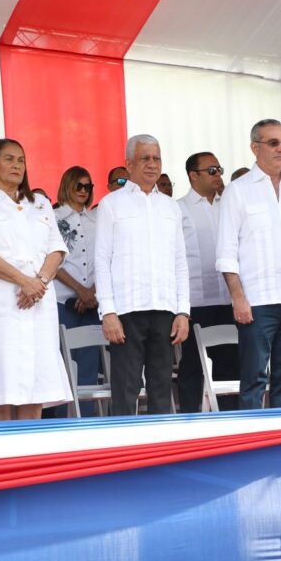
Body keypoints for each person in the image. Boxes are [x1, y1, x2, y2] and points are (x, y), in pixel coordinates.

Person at [0, 139, 72, 420]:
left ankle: (30, 457)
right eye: (9, 159)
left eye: (21, 160)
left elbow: (57, 249)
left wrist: (39, 282)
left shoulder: (40, 203)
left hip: (37, 300)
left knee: (35, 384)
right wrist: (24, 281)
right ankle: (2, 455)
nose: (16, 165)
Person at [216, 119, 281, 408]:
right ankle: (253, 445)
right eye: (273, 143)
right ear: (255, 147)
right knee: (253, 377)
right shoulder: (237, 191)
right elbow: (226, 252)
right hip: (257, 301)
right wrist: (238, 298)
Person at [96, 135, 189, 415]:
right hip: (126, 310)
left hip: (164, 309)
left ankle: (160, 455)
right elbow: (102, 260)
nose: (152, 164)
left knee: (162, 388)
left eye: (156, 158)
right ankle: (124, 455)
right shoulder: (111, 204)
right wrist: (108, 312)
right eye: (145, 158)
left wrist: (183, 311)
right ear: (129, 164)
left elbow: (180, 262)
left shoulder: (171, 207)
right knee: (126, 389)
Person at [176, 152, 238, 412]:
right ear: (193, 175)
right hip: (195, 301)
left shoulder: (229, 205)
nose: (219, 175)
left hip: (229, 298)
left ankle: (233, 423)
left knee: (231, 364)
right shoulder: (178, 208)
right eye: (212, 170)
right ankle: (190, 422)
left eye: (220, 169)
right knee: (192, 367)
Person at [54, 166, 101, 394]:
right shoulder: (53, 217)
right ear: (67, 185)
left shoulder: (97, 219)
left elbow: (106, 258)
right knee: (63, 366)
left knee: (90, 364)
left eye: (88, 186)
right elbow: (51, 261)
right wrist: (79, 290)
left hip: (92, 300)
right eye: (78, 185)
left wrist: (91, 291)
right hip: (63, 300)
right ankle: (62, 423)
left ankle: (90, 421)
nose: (83, 190)